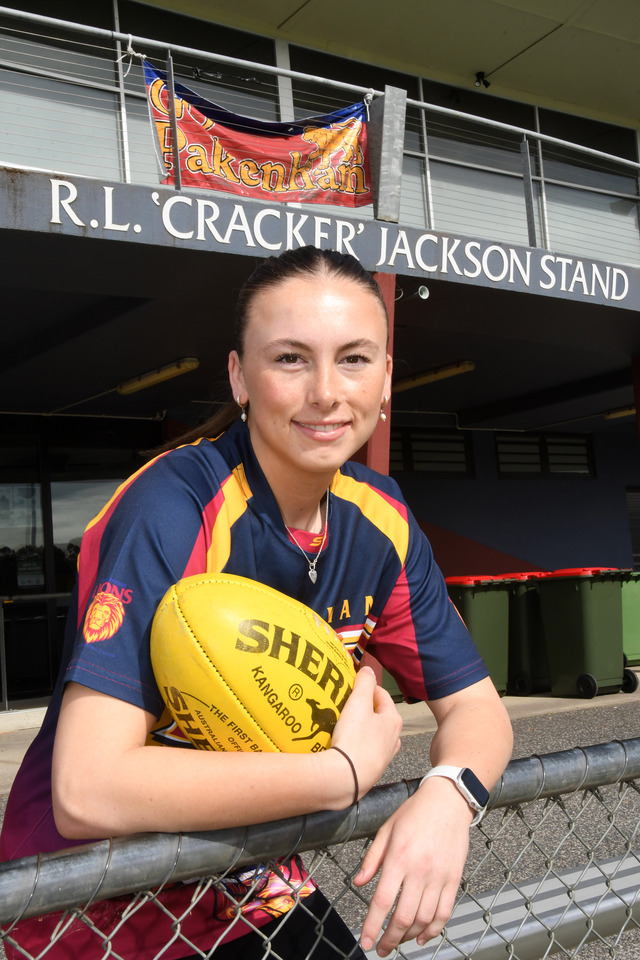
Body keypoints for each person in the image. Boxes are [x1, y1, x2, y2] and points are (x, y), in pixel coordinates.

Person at [0, 246, 513, 960]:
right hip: (96, 902)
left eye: (356, 359)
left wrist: (450, 795)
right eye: (291, 359)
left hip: (248, 883)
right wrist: (340, 774)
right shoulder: (176, 507)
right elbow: (89, 789)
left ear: (387, 379)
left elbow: (477, 708)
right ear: (240, 376)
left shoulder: (382, 523)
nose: (327, 392)